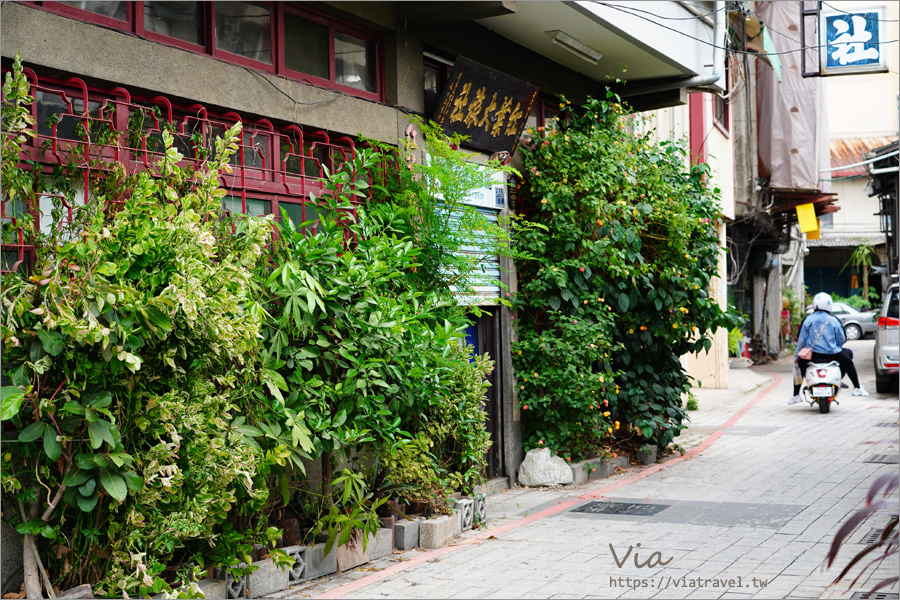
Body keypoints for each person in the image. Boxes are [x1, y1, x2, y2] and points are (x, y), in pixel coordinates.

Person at [788, 292, 868, 404]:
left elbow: (801, 341)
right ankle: (857, 388)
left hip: (812, 356)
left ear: (815, 304)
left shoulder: (808, 320)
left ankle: (796, 395)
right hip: (832, 355)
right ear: (829, 304)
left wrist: (797, 357)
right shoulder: (834, 320)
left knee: (799, 368)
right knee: (848, 359)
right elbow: (841, 340)